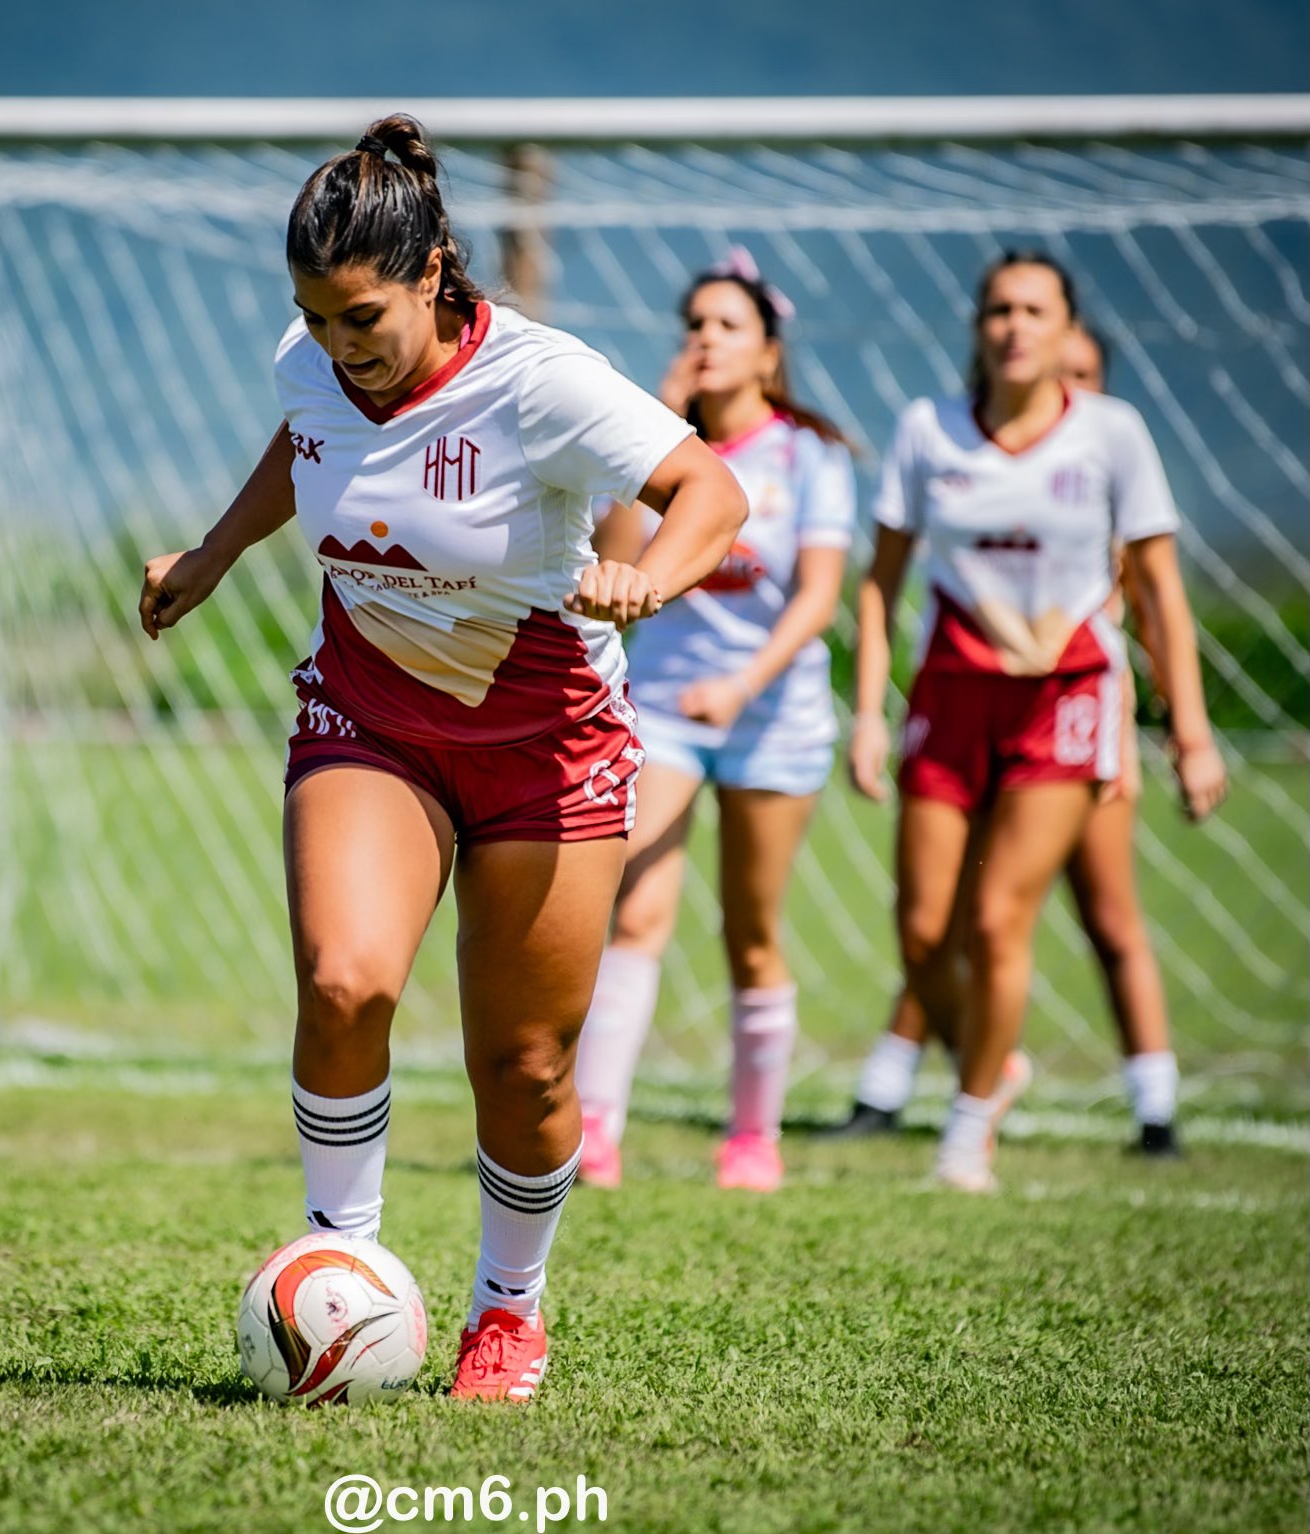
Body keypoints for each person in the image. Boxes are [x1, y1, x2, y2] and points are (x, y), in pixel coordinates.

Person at [138, 116, 745, 1400]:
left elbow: (712, 492)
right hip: (374, 720)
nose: (337, 344)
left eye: (361, 317)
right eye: (313, 317)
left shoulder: (542, 381)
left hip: (550, 745)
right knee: (343, 983)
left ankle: (507, 1313)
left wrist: (650, 576)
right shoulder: (315, 362)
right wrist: (214, 552)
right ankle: (344, 1271)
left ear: (431, 276)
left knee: (523, 1065)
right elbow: (306, 442)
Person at [842, 252, 1225, 1192]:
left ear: (1065, 330)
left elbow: (1161, 593)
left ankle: (966, 1132)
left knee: (999, 917)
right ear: (979, 326)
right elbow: (879, 583)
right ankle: (993, 1061)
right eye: (999, 310)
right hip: (949, 695)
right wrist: (867, 713)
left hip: (1067, 698)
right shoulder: (927, 430)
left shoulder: (1111, 434)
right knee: (922, 934)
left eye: (1034, 310)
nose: (1014, 326)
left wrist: (1189, 731)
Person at [571, 250, 853, 1193]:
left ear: (768, 352)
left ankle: (751, 1138)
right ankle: (595, 1131)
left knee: (751, 930)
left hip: (774, 719)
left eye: (727, 325)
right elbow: (616, 566)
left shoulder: (807, 456)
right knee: (637, 910)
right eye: (694, 323)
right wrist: (647, 425)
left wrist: (743, 684)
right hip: (663, 710)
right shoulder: (658, 448)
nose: (704, 338)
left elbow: (817, 597)